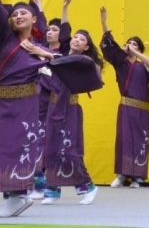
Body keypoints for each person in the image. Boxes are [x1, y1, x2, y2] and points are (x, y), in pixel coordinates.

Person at [0, 0, 62, 217]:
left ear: (34, 19)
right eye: (14, 14)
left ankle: (21, 194)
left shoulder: (38, 47)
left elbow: (63, 63)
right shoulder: (5, 37)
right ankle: (13, 198)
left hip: (26, 104)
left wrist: (46, 55)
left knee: (22, 146)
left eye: (24, 13)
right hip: (3, 103)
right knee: (4, 147)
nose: (18, 16)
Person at [100, 6, 149, 188]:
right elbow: (110, 45)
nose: (130, 45)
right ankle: (122, 175)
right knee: (124, 139)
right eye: (128, 43)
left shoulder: (142, 65)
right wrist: (104, 22)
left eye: (134, 44)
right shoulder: (121, 63)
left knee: (141, 140)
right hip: (126, 106)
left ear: (139, 48)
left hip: (142, 109)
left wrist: (135, 51)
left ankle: (138, 177)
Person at [41, 27, 103, 206]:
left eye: (82, 39)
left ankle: (88, 187)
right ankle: (52, 190)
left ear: (86, 47)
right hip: (53, 106)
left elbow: (68, 61)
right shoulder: (59, 59)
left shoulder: (81, 61)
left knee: (70, 150)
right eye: (75, 37)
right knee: (51, 148)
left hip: (70, 108)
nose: (77, 40)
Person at [29, 0, 73, 200]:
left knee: (53, 144)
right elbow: (39, 25)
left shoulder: (63, 52)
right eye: (48, 30)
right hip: (39, 102)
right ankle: (38, 186)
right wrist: (39, 4)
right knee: (36, 143)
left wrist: (65, 6)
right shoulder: (39, 47)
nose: (49, 32)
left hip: (57, 104)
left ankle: (54, 188)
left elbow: (64, 29)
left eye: (54, 30)